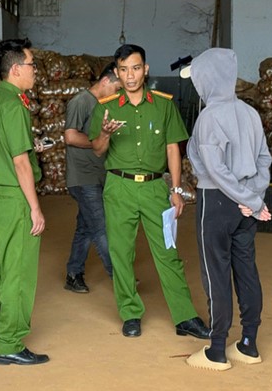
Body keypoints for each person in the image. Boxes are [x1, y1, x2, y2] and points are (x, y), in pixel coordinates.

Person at [89, 43, 209, 340]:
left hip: (156, 187)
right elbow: (97, 150)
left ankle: (185, 317)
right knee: (121, 253)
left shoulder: (164, 105)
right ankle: (130, 313)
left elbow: (172, 149)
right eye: (124, 69)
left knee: (168, 253)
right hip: (119, 188)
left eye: (136, 68)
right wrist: (104, 134)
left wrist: (177, 189)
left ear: (146, 69)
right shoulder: (105, 108)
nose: (130, 75)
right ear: (116, 73)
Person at [183, 48, 272, 371]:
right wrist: (253, 198)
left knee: (215, 272)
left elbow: (217, 171)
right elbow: (264, 160)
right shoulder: (250, 114)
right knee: (246, 269)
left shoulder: (209, 118)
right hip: (247, 203)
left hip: (217, 203)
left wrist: (247, 199)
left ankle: (217, 349)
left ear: (207, 79)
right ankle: (248, 342)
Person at [0, 38, 49, 366]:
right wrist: (34, 207)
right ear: (16, 69)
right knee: (17, 272)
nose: (35, 71)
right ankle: (9, 343)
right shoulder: (15, 105)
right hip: (13, 197)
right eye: (32, 65)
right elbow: (20, 162)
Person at [63, 62, 121, 293]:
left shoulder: (104, 104)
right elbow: (69, 136)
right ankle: (119, 276)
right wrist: (98, 141)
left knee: (86, 228)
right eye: (117, 88)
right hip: (83, 177)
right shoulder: (81, 102)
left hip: (98, 175)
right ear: (105, 81)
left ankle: (73, 274)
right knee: (102, 228)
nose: (118, 94)